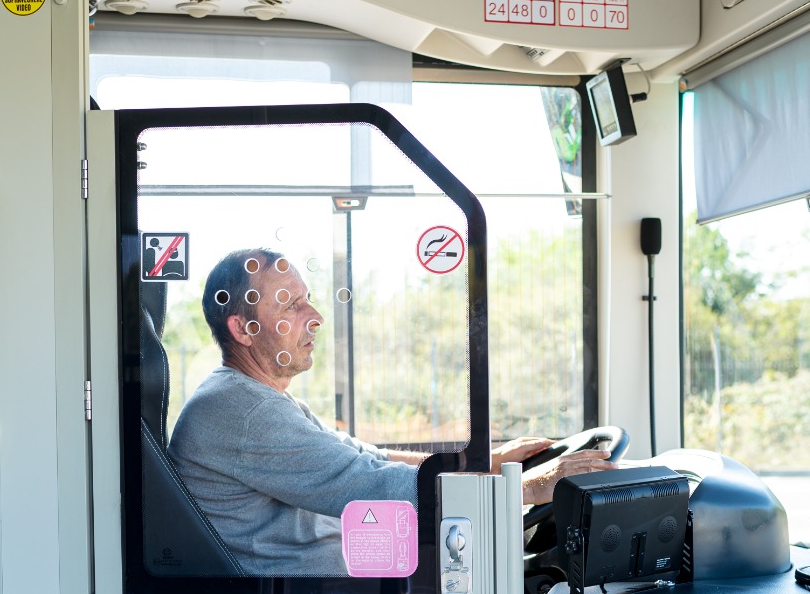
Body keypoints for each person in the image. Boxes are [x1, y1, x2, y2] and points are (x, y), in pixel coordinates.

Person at [169, 247, 612, 576]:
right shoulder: (243, 413)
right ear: (243, 329)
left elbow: (366, 457)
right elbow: (371, 484)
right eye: (291, 305)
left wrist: (484, 462)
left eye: (308, 299)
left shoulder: (256, 400)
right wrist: (527, 487)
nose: (315, 315)